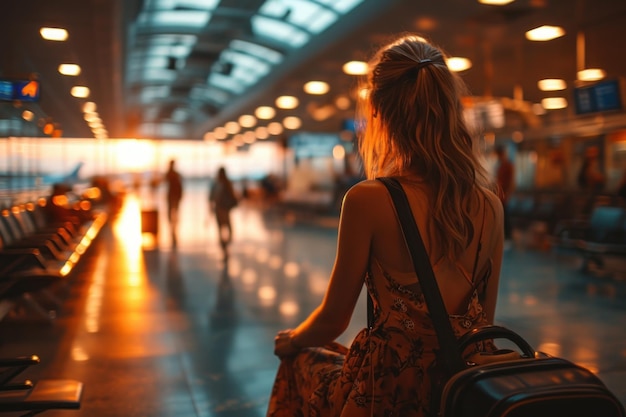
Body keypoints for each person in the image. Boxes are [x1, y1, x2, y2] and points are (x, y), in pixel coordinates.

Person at [267, 34, 504, 417]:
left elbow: (333, 320)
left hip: (388, 392)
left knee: (299, 364)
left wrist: (293, 340)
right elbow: (485, 325)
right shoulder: (490, 206)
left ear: (376, 109)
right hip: (463, 390)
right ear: (449, 105)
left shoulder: (369, 200)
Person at [209, 166, 238, 256]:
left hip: (221, 209)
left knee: (222, 227)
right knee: (226, 227)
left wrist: (210, 208)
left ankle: (224, 243)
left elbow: (211, 197)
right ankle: (225, 243)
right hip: (224, 209)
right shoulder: (225, 183)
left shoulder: (218, 183)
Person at [494, 145, 514, 241]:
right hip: (500, 194)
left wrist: (507, 195)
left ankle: (507, 236)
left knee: (505, 215)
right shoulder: (501, 166)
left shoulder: (508, 166)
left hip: (504, 195)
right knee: (502, 215)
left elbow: (511, 183)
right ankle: (504, 235)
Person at [164, 159, 183, 245]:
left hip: (173, 196)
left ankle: (173, 226)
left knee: (172, 213)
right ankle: (173, 226)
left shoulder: (171, 174)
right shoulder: (174, 174)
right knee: (173, 213)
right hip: (173, 196)